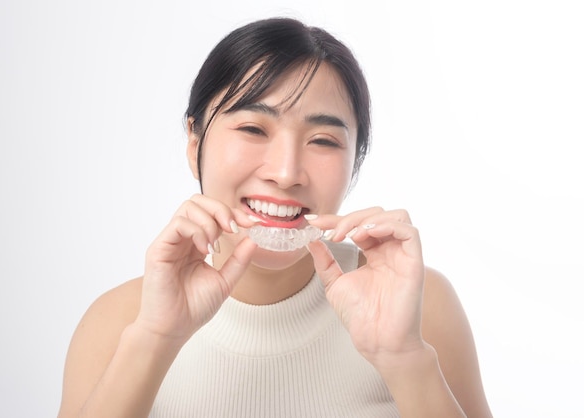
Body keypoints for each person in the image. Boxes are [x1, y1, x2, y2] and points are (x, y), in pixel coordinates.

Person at [57, 17, 493, 418]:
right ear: (195, 144)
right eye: (253, 129)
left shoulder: (418, 306)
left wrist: (402, 357)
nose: (286, 173)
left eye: (323, 140)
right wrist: (155, 339)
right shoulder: (118, 324)